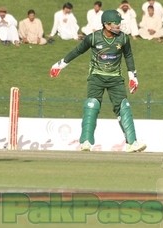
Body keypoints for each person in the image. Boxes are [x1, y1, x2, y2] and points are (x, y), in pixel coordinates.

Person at [49, 9, 146, 153]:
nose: (119, 26)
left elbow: (129, 56)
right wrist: (60, 64)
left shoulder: (124, 39)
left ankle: (132, 143)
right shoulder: (93, 38)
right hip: (96, 77)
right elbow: (78, 50)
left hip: (116, 79)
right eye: (116, 24)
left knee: (124, 106)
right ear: (106, 25)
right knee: (92, 105)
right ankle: (86, 141)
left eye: (119, 24)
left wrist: (133, 77)